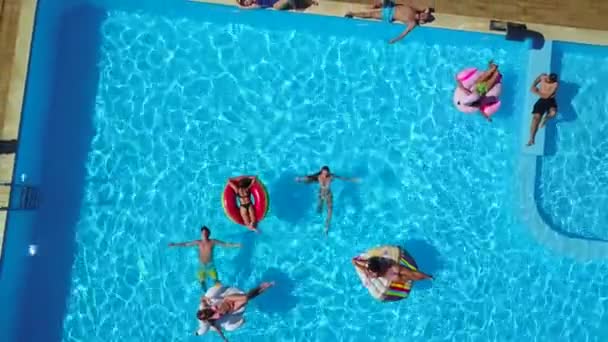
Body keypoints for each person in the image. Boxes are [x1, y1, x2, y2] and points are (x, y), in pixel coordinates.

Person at [197, 282, 275, 341]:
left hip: (228, 299)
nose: (205, 313)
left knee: (246, 297)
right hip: (233, 308)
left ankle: (262, 286)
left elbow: (202, 298)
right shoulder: (211, 320)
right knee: (248, 299)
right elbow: (219, 330)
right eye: (204, 315)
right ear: (205, 318)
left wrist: (206, 298)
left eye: (203, 312)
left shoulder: (206, 306)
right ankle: (264, 288)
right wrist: (224, 339)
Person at [168, 226, 240, 289]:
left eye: (206, 233)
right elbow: (186, 244)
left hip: (210, 266)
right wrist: (175, 244)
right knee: (202, 282)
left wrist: (236, 245)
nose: (204, 234)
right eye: (203, 233)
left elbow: (225, 244)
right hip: (201, 266)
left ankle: (219, 292)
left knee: (216, 281)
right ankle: (206, 293)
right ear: (201, 234)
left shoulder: (212, 241)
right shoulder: (198, 242)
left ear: (209, 234)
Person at [295, 166, 359, 234]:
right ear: (321, 171)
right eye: (323, 172)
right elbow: (309, 178)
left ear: (328, 172)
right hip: (321, 194)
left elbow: (342, 178)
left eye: (326, 173)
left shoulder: (331, 176)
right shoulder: (318, 176)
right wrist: (300, 179)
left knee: (329, 211)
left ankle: (326, 227)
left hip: (328, 195)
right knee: (319, 209)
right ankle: (317, 220)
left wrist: (352, 180)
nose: (325, 174)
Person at [345, 0, 434, 43]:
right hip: (392, 6)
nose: (422, 15)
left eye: (424, 17)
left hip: (389, 15)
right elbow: (427, 9)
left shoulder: (412, 23)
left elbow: (404, 33)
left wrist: (394, 40)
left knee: (368, 15)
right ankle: (376, 5)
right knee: (383, 1)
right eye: (424, 14)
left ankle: (352, 14)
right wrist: (428, 11)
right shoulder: (416, 10)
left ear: (422, 20)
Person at [527, 73, 559, 146]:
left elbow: (546, 96)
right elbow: (537, 80)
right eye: (548, 78)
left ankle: (546, 118)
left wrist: (536, 91)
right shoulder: (543, 76)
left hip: (550, 100)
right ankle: (532, 139)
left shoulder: (555, 85)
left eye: (549, 80)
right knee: (535, 118)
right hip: (542, 100)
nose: (547, 80)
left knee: (553, 113)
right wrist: (533, 86)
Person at [352, 256, 432, 283]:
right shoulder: (377, 261)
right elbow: (368, 262)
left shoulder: (374, 274)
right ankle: (428, 277)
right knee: (412, 273)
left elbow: (364, 269)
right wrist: (358, 261)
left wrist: (356, 264)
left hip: (391, 276)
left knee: (411, 278)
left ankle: (424, 279)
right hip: (394, 268)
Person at [236, 0, 318, 10]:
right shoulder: (256, 4)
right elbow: (254, 7)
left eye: (245, 1)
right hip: (277, 3)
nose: (246, 3)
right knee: (276, 6)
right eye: (245, 4)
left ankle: (310, 1)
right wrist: (241, 7)